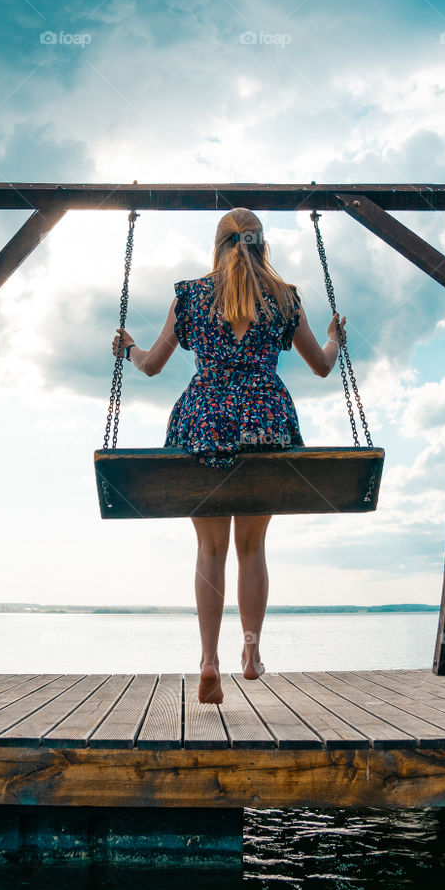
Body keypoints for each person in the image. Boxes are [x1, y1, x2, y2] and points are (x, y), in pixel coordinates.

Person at [111, 207, 345, 705]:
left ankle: (208, 661)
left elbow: (152, 366)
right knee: (252, 548)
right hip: (264, 425)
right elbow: (323, 368)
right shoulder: (284, 298)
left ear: (218, 245)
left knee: (211, 550)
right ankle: (252, 653)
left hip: (205, 426)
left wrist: (127, 348)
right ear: (263, 245)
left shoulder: (192, 296)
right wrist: (333, 339)